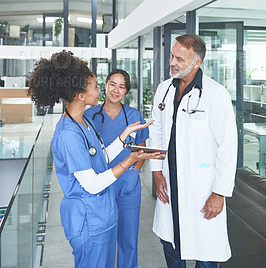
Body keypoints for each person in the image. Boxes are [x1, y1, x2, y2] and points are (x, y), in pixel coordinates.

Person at [28, 50, 163, 268]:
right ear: (81, 95)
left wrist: (123, 136)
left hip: (102, 216)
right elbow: (91, 183)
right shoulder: (68, 134)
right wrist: (128, 162)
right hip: (88, 220)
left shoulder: (84, 123)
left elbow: (100, 157)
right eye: (96, 86)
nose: (101, 89)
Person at [149, 34, 238, 268]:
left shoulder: (216, 95)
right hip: (170, 180)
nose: (172, 62)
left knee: (206, 255)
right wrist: (157, 172)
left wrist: (219, 194)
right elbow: (156, 133)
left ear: (196, 63)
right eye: (172, 56)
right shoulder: (163, 90)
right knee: (170, 245)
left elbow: (228, 147)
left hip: (202, 185)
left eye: (179, 58)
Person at [84, 69, 148, 268]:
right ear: (105, 85)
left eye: (121, 87)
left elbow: (142, 147)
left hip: (128, 189)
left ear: (126, 91)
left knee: (128, 239)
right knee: (103, 241)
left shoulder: (134, 116)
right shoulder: (89, 115)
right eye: (112, 84)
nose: (116, 90)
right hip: (101, 188)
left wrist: (134, 172)